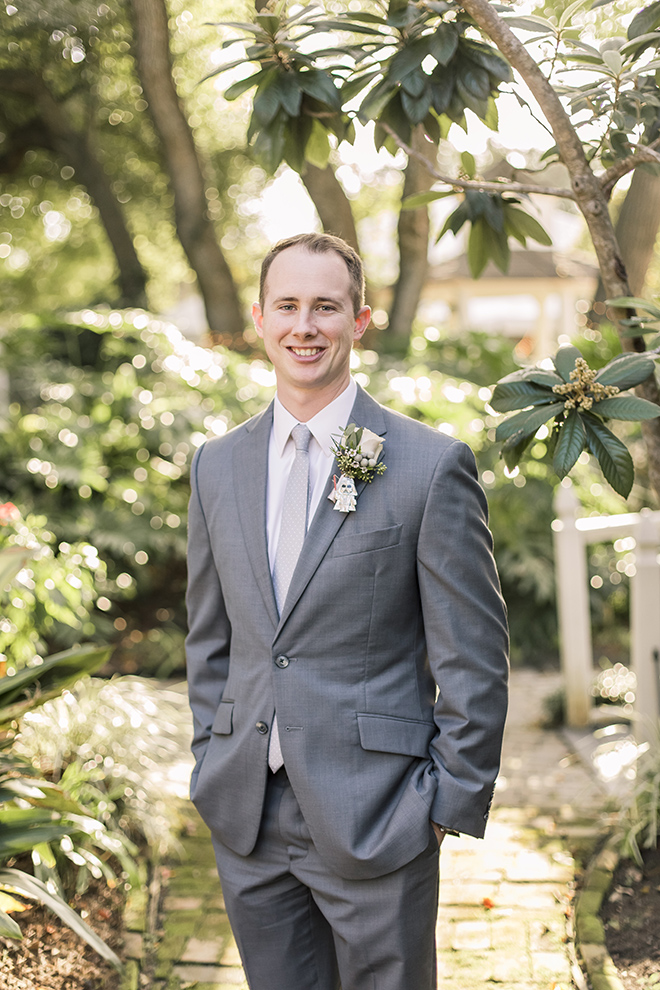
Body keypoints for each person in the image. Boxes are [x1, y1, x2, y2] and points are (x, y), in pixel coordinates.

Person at [185, 232, 509, 990]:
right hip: (247, 817)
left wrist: (442, 803)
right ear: (260, 320)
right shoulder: (217, 465)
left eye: (326, 307)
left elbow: (472, 657)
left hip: (381, 817)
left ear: (359, 321)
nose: (306, 326)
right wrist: (211, 757)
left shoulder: (429, 466)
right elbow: (210, 636)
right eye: (288, 306)